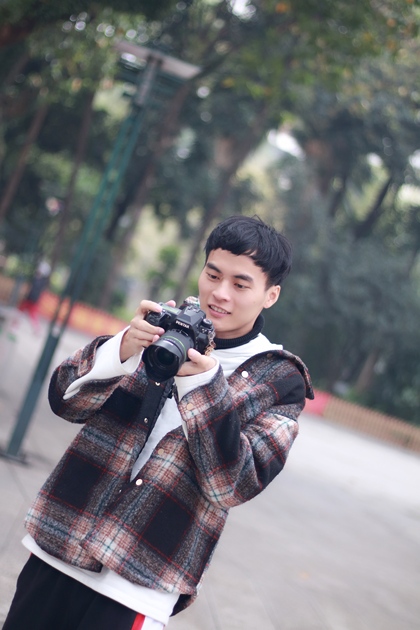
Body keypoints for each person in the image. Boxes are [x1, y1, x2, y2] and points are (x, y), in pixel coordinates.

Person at [4, 215, 313, 630]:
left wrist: (204, 385)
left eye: (240, 285)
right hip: (61, 542)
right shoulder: (164, 326)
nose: (220, 293)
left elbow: (233, 484)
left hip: (140, 578)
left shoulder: (280, 379)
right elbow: (64, 401)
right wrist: (122, 348)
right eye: (212, 275)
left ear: (270, 295)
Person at [18, 260, 51, 333]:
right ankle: (15, 325)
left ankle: (37, 330)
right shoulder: (37, 278)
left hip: (32, 300)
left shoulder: (41, 281)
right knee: (20, 311)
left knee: (31, 315)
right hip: (30, 299)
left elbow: (35, 291)